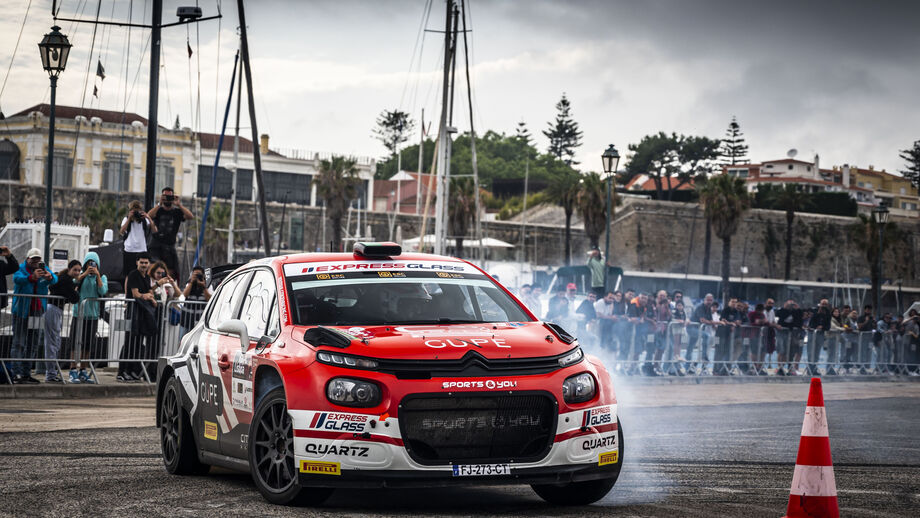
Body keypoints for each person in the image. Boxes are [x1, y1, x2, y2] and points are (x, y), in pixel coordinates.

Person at [11, 248, 57, 384]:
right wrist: (31, 277)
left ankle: (26, 373)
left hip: (37, 311)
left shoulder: (44, 268)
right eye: (33, 259)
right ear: (27, 259)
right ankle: (16, 373)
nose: (36, 262)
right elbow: (17, 279)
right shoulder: (21, 269)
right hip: (21, 311)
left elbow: (55, 279)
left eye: (38, 259)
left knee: (33, 343)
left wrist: (50, 277)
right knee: (19, 342)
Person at [70, 252, 108, 383]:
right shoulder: (82, 275)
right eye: (89, 263)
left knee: (87, 345)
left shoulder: (102, 277)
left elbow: (102, 291)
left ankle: (83, 370)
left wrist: (97, 275)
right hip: (78, 314)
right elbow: (74, 281)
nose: (92, 266)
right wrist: (85, 273)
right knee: (75, 343)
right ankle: (73, 369)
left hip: (92, 316)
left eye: (94, 263)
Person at [119, 254, 156, 382]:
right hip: (131, 312)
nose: (144, 265)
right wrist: (146, 296)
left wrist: (150, 296)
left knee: (137, 343)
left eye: (146, 263)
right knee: (129, 342)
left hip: (140, 314)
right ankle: (122, 371)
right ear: (137, 262)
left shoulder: (146, 277)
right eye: (142, 262)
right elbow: (136, 294)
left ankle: (132, 371)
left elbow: (149, 292)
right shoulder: (133, 274)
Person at [44, 260, 82, 383]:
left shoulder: (62, 278)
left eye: (79, 270)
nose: (77, 272)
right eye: (75, 270)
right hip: (54, 309)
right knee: (52, 342)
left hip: (55, 309)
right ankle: (50, 374)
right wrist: (75, 289)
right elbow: (75, 298)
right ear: (69, 269)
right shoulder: (66, 280)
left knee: (54, 341)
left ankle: (52, 373)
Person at [147, 187, 194, 280]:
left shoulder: (177, 212)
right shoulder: (158, 210)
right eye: (165, 196)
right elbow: (148, 215)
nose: (167, 199)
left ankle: (169, 287)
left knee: (171, 270)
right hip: (156, 244)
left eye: (169, 196)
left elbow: (190, 216)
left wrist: (179, 204)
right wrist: (159, 203)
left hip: (169, 245)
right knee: (154, 267)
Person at [120, 199, 157, 281]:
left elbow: (155, 230)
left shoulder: (144, 220)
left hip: (142, 249)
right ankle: (127, 293)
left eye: (138, 210)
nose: (136, 213)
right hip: (129, 249)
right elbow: (122, 232)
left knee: (143, 273)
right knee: (128, 274)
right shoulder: (126, 219)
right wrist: (129, 218)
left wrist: (148, 217)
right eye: (134, 211)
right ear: (130, 211)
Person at [178, 266, 212, 340]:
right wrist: (191, 282)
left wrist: (203, 287)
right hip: (186, 318)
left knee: (197, 340)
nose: (197, 276)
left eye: (199, 274)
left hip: (200, 319)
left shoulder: (208, 285)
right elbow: (185, 294)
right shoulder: (189, 283)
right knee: (182, 339)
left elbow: (209, 299)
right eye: (195, 274)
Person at [686, 293, 714, 375]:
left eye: (710, 300)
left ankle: (688, 368)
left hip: (697, 329)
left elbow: (710, 321)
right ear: (704, 300)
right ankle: (704, 356)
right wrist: (714, 322)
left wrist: (712, 323)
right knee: (706, 336)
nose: (709, 302)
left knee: (690, 348)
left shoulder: (708, 309)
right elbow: (703, 320)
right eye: (708, 300)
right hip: (691, 328)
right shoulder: (700, 307)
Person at [775, 299, 804, 376]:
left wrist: (797, 308)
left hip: (791, 333)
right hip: (782, 332)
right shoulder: (781, 310)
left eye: (792, 304)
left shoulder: (795, 311)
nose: (791, 306)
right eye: (789, 304)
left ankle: (789, 367)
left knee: (790, 351)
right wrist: (785, 308)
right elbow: (780, 317)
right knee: (782, 351)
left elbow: (799, 319)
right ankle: (780, 368)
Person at [808, 299, 832, 375]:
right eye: (823, 304)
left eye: (825, 304)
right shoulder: (815, 310)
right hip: (812, 333)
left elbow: (828, 325)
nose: (824, 306)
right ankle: (810, 368)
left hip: (821, 334)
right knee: (811, 351)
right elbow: (811, 322)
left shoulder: (828, 313)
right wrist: (818, 312)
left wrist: (822, 327)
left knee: (817, 352)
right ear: (820, 304)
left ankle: (814, 368)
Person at [856, 305, 876, 374]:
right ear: (864, 310)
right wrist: (866, 321)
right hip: (863, 337)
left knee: (869, 353)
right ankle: (862, 368)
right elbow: (859, 327)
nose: (868, 311)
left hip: (870, 338)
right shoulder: (861, 317)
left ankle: (867, 368)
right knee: (863, 353)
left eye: (870, 310)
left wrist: (874, 322)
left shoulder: (872, 318)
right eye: (867, 310)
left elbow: (874, 327)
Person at [826, 307, 845, 376]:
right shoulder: (831, 319)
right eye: (835, 312)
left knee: (833, 354)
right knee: (831, 354)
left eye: (838, 312)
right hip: (831, 338)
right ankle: (829, 369)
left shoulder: (839, 320)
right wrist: (844, 329)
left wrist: (845, 327)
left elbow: (843, 326)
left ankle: (831, 369)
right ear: (832, 313)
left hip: (836, 338)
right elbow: (833, 327)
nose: (837, 313)